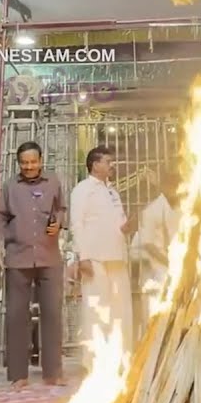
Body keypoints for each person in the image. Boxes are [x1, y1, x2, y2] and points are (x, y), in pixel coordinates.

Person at [0, 141, 67, 389]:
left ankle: (53, 372)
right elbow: (0, 217)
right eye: (24, 163)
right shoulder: (10, 186)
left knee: (53, 314)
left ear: (41, 160)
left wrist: (60, 223)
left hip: (49, 257)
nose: (29, 166)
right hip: (18, 257)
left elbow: (62, 209)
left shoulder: (54, 182)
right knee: (16, 315)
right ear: (19, 163)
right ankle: (17, 375)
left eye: (33, 162)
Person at [69, 146, 136, 373]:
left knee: (120, 309)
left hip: (116, 256)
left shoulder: (113, 192)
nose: (112, 166)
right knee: (97, 308)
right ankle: (94, 361)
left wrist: (128, 226)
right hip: (95, 257)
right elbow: (77, 224)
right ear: (95, 164)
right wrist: (83, 256)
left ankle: (120, 358)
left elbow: (120, 223)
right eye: (108, 161)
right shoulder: (82, 190)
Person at [133, 168, 182, 322]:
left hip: (177, 266)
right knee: (155, 317)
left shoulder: (185, 207)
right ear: (166, 187)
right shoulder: (151, 211)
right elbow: (148, 245)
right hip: (155, 269)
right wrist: (170, 262)